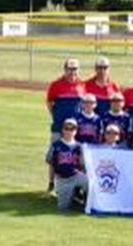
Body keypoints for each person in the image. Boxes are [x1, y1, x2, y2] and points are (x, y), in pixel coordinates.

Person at [46, 59, 85, 192]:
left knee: (74, 157)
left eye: (75, 69)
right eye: (70, 69)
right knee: (55, 157)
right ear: (65, 69)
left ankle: (75, 186)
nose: (72, 72)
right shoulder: (56, 85)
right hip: (59, 127)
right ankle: (52, 183)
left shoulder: (82, 85)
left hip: (75, 129)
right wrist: (56, 117)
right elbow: (50, 103)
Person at [46, 119, 87, 212]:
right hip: (62, 179)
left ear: (76, 131)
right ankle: (74, 200)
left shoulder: (79, 146)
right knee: (63, 208)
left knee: (91, 185)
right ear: (62, 130)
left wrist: (84, 175)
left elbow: (82, 164)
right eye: (66, 128)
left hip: (76, 176)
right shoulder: (56, 145)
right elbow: (51, 165)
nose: (69, 131)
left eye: (72, 129)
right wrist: (51, 182)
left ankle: (86, 204)